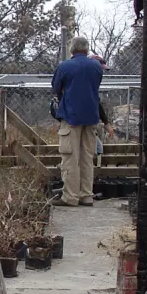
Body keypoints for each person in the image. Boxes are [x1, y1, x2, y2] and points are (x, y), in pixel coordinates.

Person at [51, 36, 104, 206]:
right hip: (91, 117)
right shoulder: (96, 67)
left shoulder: (64, 67)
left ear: (72, 50)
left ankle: (70, 197)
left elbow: (55, 88)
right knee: (87, 157)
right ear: (86, 49)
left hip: (71, 117)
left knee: (70, 157)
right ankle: (86, 195)